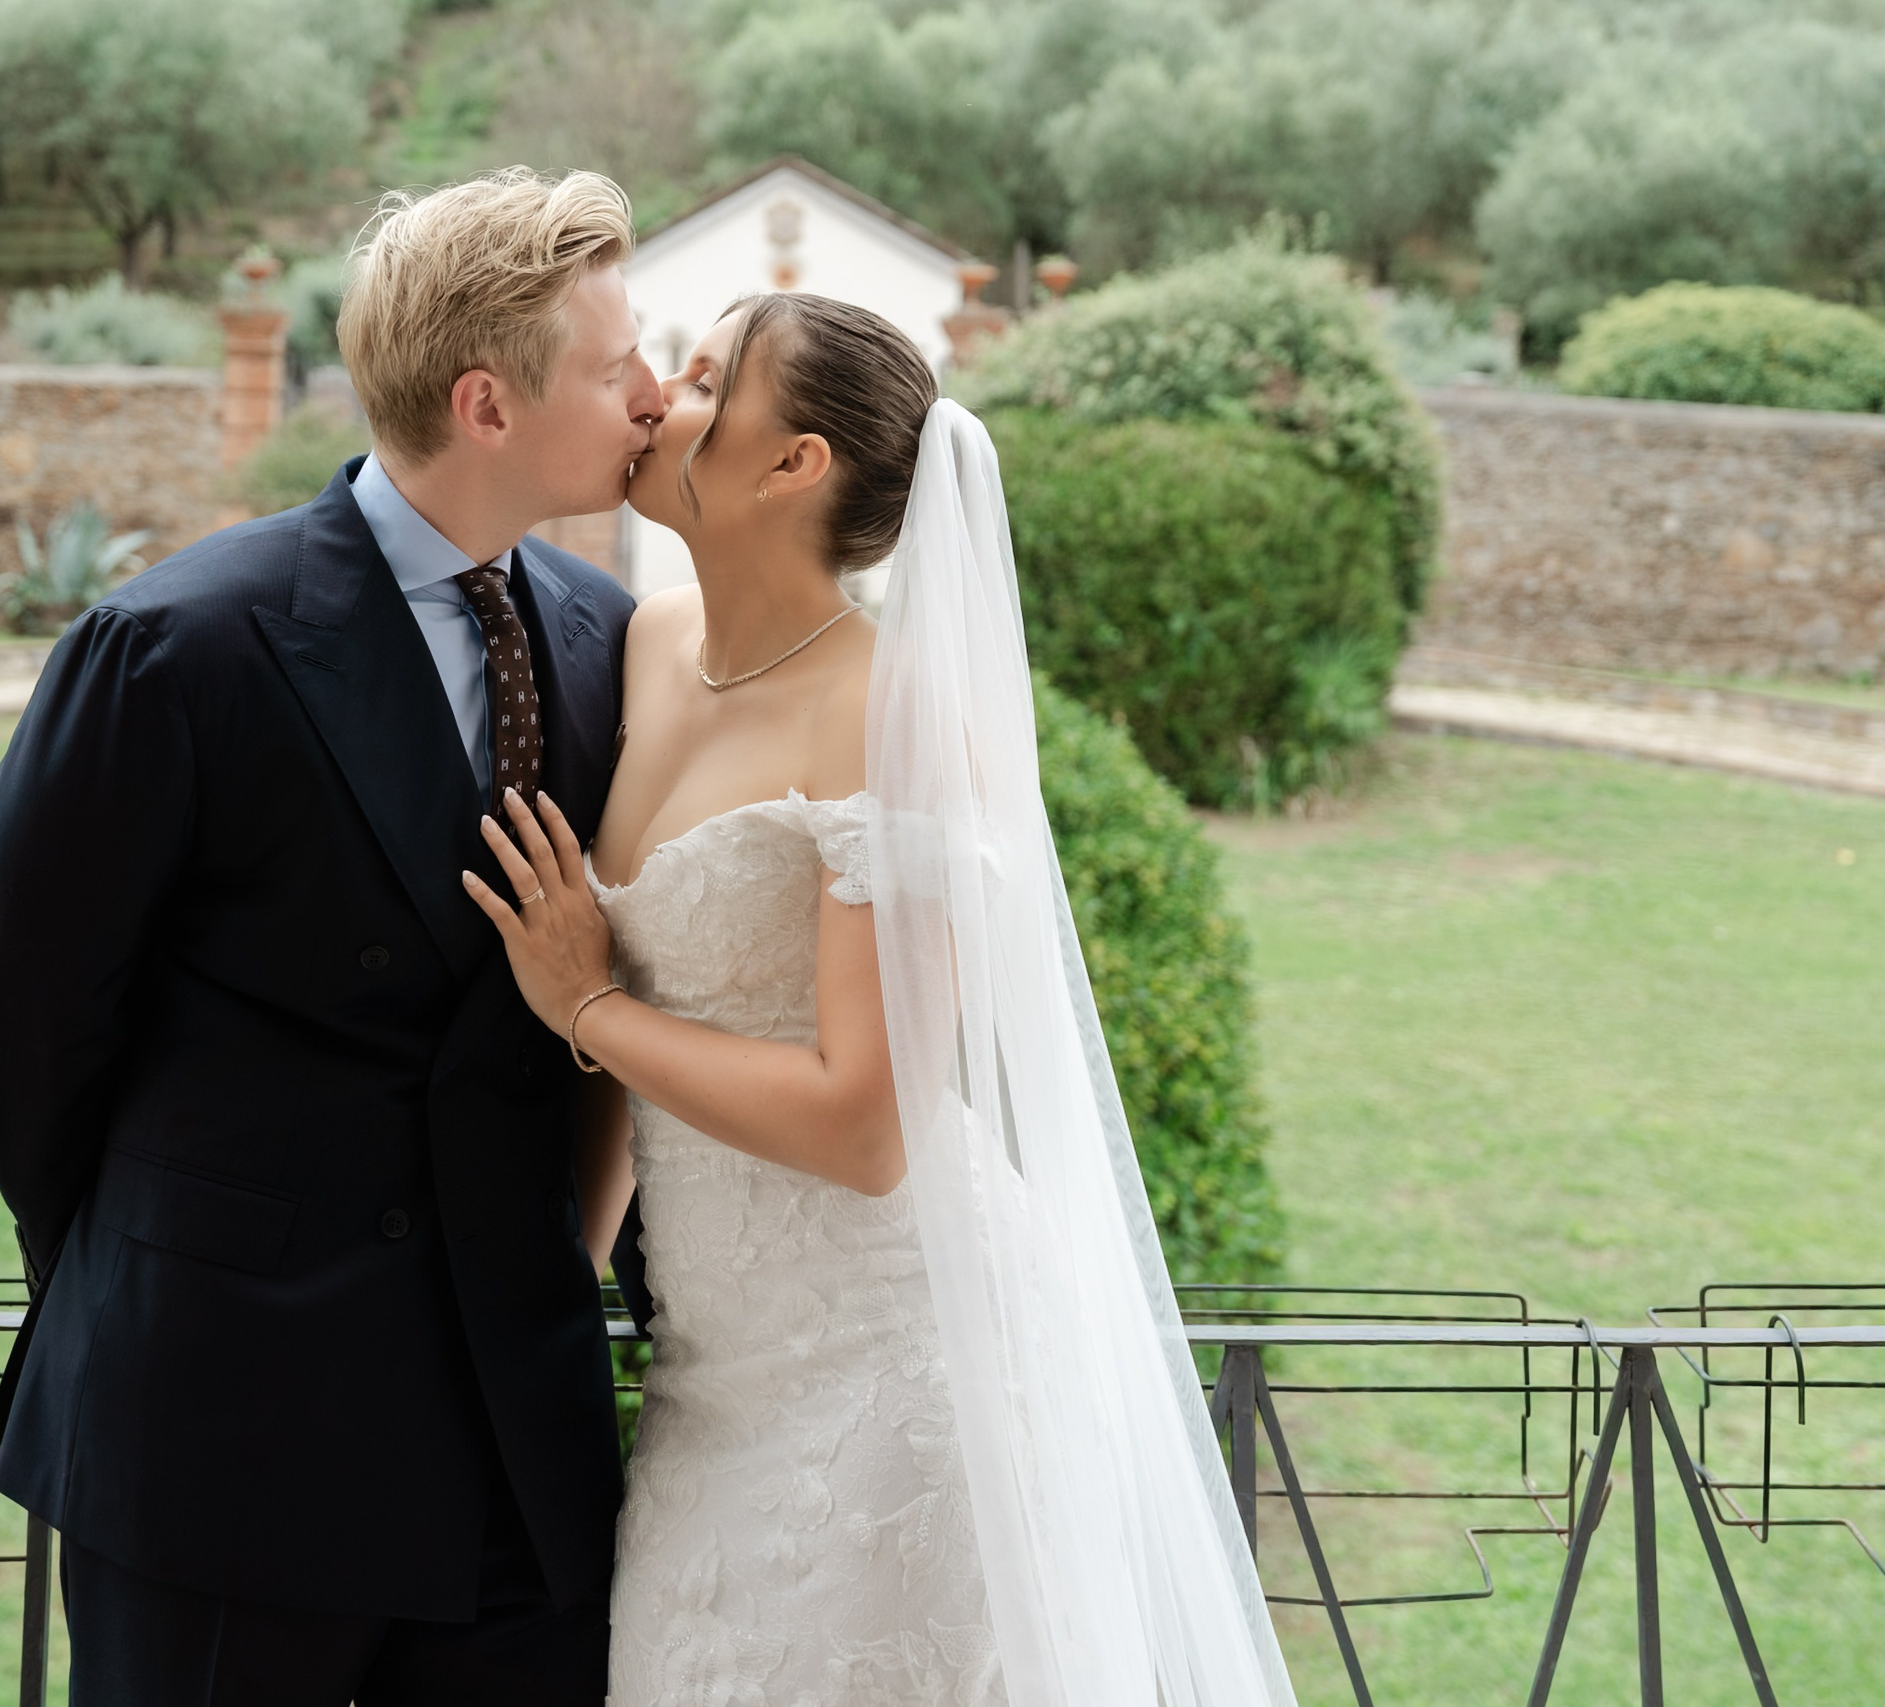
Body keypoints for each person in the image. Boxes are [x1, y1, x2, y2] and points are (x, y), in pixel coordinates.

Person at [466, 295, 1301, 1707]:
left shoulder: (895, 715)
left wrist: (587, 1007)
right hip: (712, 1378)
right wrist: (549, 1297)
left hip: (899, 1376)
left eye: (709, 378)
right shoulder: (651, 641)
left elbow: (867, 1124)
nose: (663, 396)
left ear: (794, 464)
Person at [0, 167, 660, 1703]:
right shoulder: (174, 647)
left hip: (512, 1447)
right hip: (214, 1430)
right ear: (487, 403)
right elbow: (17, 1020)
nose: (654, 397)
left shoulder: (606, 643)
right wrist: (153, 1266)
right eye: (615, 367)